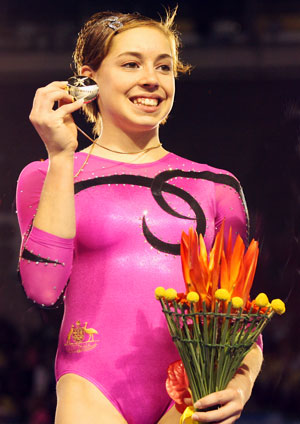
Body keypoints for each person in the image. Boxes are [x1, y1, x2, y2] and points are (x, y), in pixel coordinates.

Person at [16, 9, 263, 424]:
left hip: (194, 389)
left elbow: (238, 317)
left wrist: (240, 383)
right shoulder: (48, 175)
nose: (152, 78)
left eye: (164, 66)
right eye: (132, 63)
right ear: (88, 78)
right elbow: (43, 289)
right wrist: (61, 156)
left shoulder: (216, 186)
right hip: (91, 386)